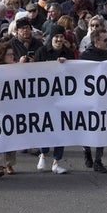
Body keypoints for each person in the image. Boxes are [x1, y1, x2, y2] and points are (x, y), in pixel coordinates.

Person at [33, 25, 72, 174]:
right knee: (45, 127)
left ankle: (57, 162)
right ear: (51, 37)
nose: (59, 39)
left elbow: (75, 73)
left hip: (62, 98)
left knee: (61, 129)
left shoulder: (68, 53)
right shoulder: (42, 52)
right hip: (45, 98)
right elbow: (34, 72)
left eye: (61, 37)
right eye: (56, 36)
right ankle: (43, 154)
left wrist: (66, 65)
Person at [79, 29, 107, 173]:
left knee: (101, 128)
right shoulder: (85, 56)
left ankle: (98, 160)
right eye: (105, 40)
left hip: (104, 98)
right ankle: (87, 151)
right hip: (87, 98)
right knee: (87, 127)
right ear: (96, 41)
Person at [0, 41, 19, 176]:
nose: (12, 57)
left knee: (11, 136)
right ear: (2, 56)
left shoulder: (16, 68)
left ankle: (9, 164)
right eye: (9, 55)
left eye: (13, 54)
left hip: (13, 108)